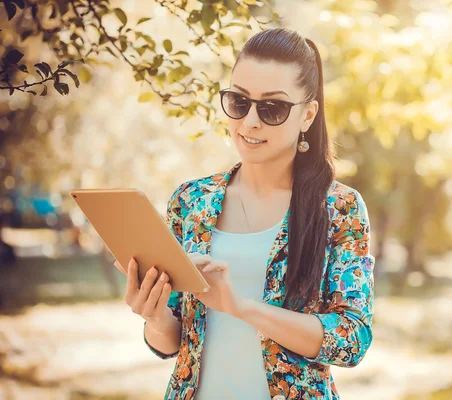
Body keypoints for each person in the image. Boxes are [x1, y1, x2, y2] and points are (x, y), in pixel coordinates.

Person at [113, 27, 375, 400]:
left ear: (307, 115)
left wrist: (240, 307)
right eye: (239, 102)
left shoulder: (340, 208)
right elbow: (172, 343)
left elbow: (352, 338)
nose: (250, 121)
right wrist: (153, 315)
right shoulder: (190, 201)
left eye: (272, 108)